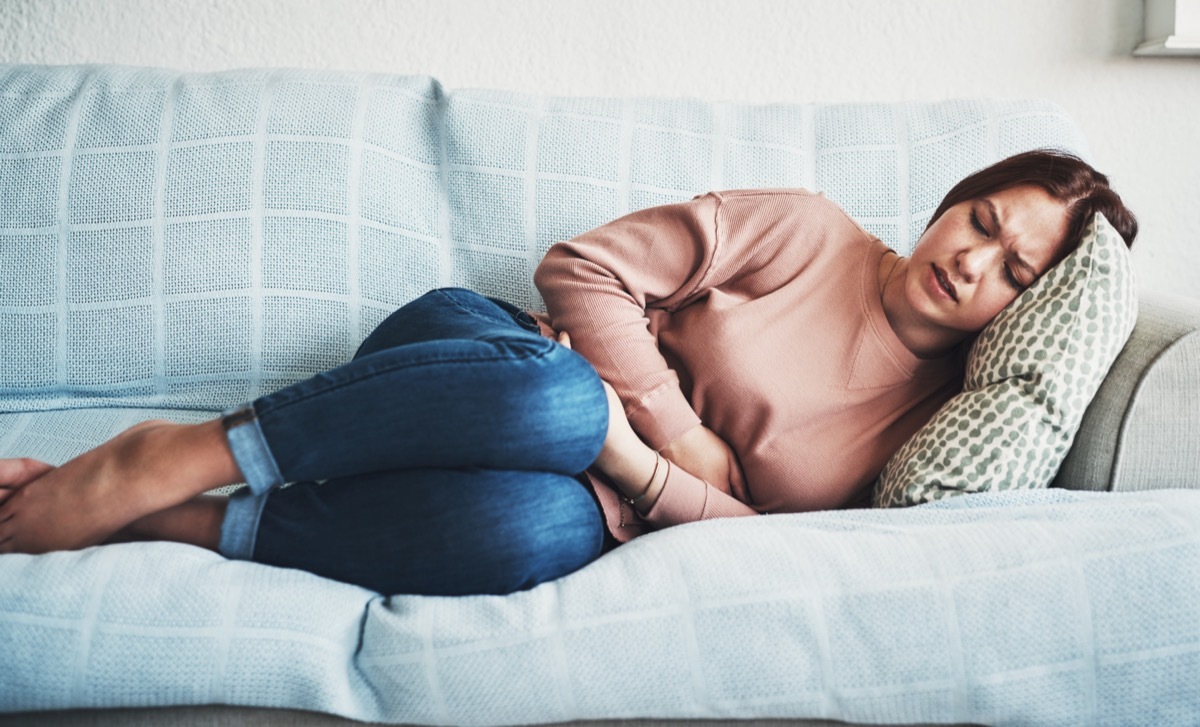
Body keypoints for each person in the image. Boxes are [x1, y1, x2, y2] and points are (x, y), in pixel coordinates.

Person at [0, 150, 1137, 596]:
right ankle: (172, 454)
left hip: (588, 496)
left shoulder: (931, 430)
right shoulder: (806, 230)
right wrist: (677, 444)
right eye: (979, 219)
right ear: (950, 198)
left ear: (1024, 305)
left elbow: (763, 537)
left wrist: (629, 461)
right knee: (552, 394)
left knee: (531, 538)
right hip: (478, 360)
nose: (972, 259)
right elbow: (583, 270)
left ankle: (177, 525)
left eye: (1012, 268)